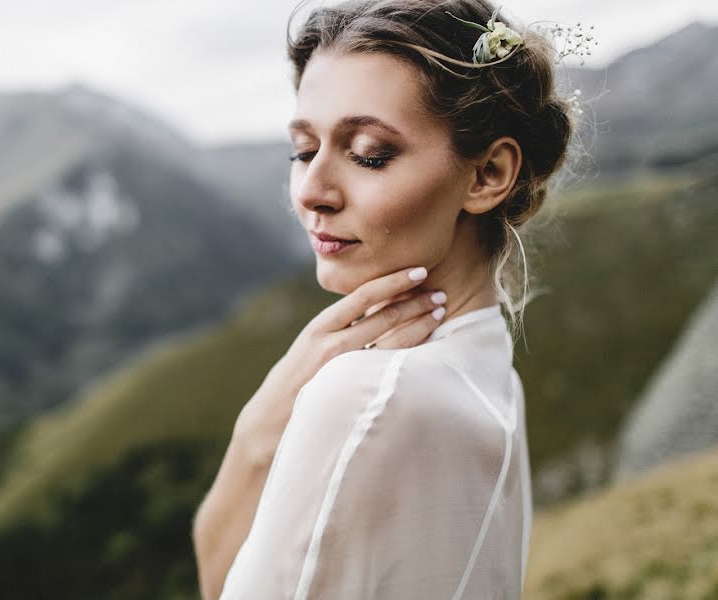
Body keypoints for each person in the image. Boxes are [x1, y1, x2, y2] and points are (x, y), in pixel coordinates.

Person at [193, 0, 575, 597]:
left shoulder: (368, 395)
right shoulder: (488, 367)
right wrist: (261, 429)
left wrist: (259, 434)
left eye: (368, 153)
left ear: (487, 174)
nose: (312, 190)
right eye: (303, 150)